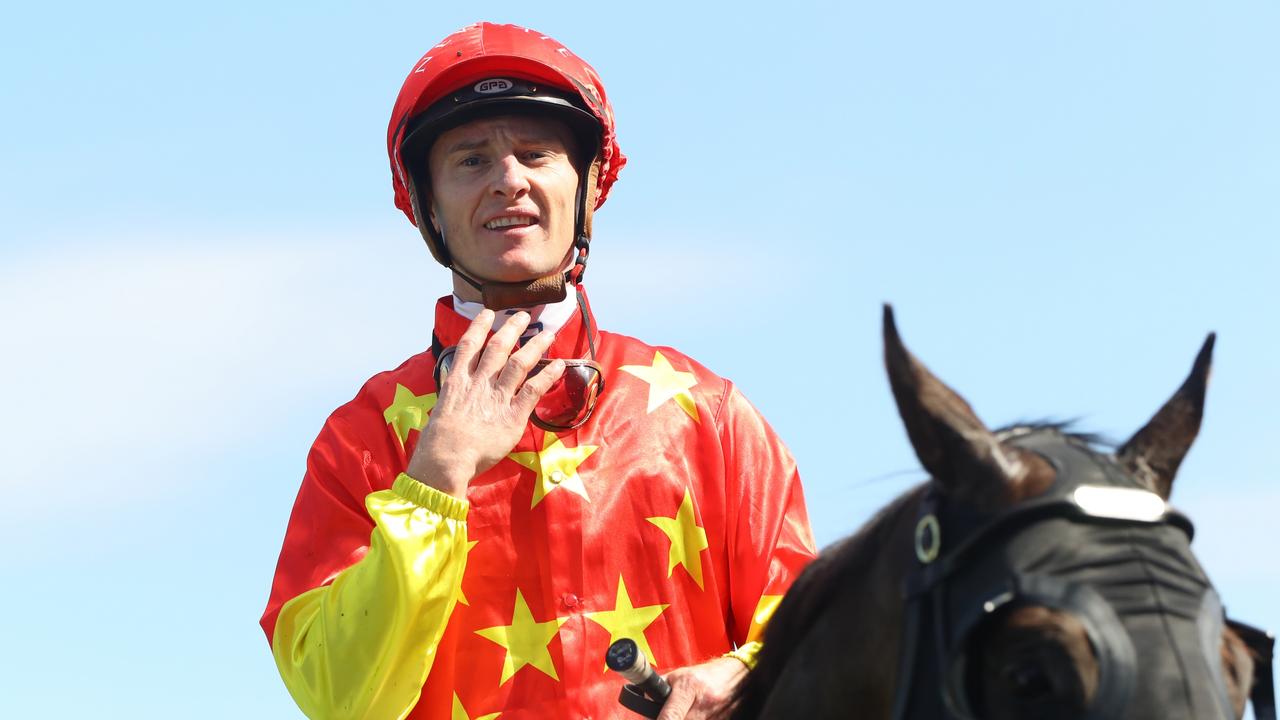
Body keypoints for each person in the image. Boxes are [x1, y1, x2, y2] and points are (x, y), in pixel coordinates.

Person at [260, 22, 816, 720]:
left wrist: (740, 678)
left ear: (587, 185)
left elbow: (819, 644)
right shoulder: (358, 438)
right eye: (470, 161)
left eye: (535, 153)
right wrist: (437, 476)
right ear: (428, 204)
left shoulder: (711, 414)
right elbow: (336, 697)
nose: (508, 181)